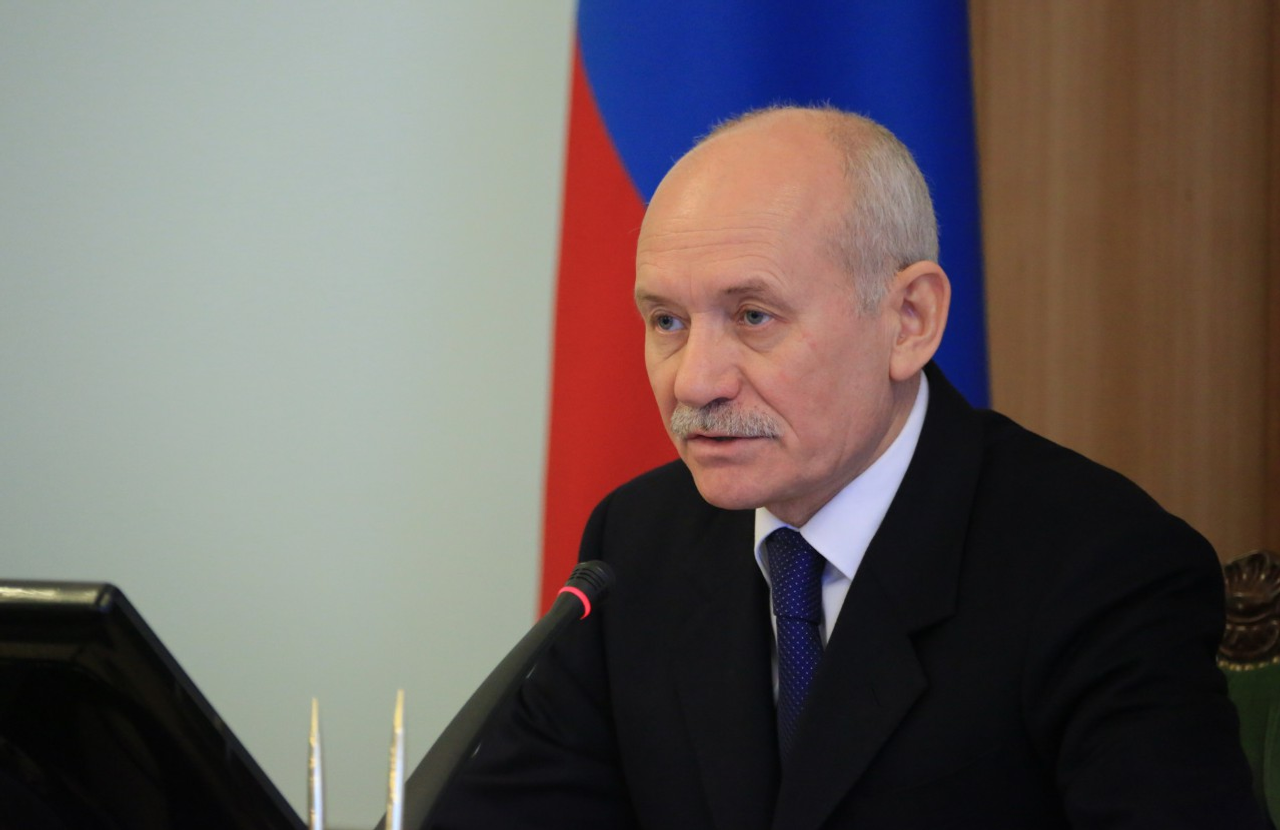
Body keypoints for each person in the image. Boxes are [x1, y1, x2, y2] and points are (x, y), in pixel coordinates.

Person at [430, 106, 1266, 828]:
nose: (695, 381)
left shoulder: (1098, 567)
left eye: (753, 316)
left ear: (909, 320)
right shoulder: (636, 543)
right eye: (667, 321)